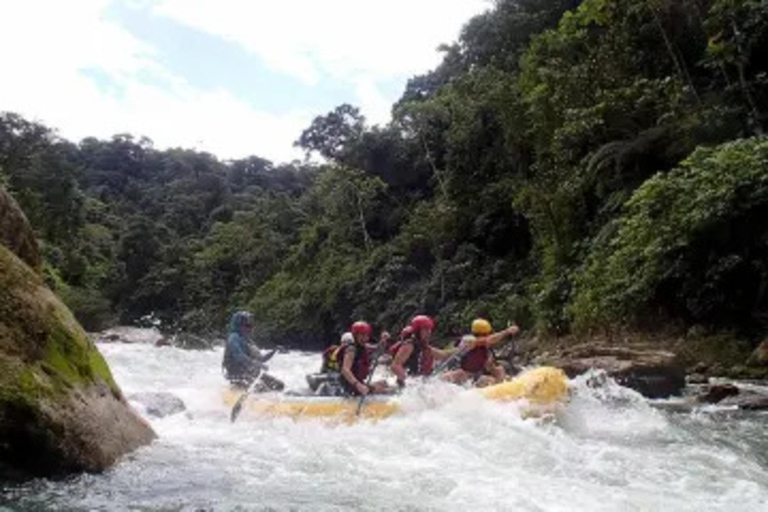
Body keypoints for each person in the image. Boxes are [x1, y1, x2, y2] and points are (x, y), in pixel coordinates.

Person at [441, 319, 520, 387]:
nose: (489, 335)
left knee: (500, 370)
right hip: (466, 375)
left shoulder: (485, 347)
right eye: (487, 333)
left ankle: (504, 388)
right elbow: (488, 340)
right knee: (489, 381)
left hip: (478, 374)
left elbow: (489, 366)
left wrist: (496, 370)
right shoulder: (468, 340)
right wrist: (507, 331)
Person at [222, 311, 284, 391]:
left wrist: (274, 351)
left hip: (250, 375)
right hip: (238, 376)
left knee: (279, 385)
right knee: (263, 389)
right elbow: (239, 356)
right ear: (238, 325)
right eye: (247, 325)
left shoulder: (247, 340)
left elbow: (261, 359)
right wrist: (257, 364)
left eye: (251, 325)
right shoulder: (233, 338)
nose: (250, 328)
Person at [390, 315, 457, 388]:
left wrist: (461, 348)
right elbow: (395, 366)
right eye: (425, 329)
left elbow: (443, 355)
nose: (429, 332)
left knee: (452, 375)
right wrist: (408, 382)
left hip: (421, 382)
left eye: (429, 329)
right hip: (409, 385)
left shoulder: (424, 346)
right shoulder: (409, 345)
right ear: (418, 330)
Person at [339, 321, 389, 396]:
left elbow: (379, 349)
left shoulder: (362, 346)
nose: (365, 338)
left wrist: (383, 340)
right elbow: (345, 370)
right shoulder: (351, 350)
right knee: (385, 390)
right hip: (350, 385)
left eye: (366, 335)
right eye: (362, 335)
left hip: (358, 383)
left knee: (384, 383)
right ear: (355, 335)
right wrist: (358, 385)